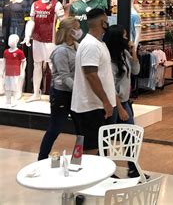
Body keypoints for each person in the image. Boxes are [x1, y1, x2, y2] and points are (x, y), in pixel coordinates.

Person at [71, 8, 116, 152]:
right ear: (102, 23)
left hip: (96, 106)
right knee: (89, 148)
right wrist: (105, 101)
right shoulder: (90, 45)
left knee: (98, 146)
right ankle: (81, 167)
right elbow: (91, 75)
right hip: (91, 107)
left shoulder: (98, 43)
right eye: (106, 21)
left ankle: (100, 169)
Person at [38, 17, 82, 160]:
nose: (79, 30)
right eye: (77, 28)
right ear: (69, 31)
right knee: (55, 128)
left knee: (82, 129)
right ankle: (42, 158)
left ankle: (78, 159)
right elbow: (64, 76)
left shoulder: (77, 46)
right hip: (61, 94)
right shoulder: (61, 51)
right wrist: (78, 89)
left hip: (74, 93)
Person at [104, 24, 142, 177]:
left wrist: (133, 52)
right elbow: (110, 87)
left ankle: (133, 167)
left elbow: (136, 70)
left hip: (124, 101)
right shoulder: (109, 61)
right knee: (106, 138)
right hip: (115, 103)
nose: (127, 38)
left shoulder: (124, 53)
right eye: (124, 36)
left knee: (130, 136)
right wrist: (120, 109)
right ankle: (104, 169)